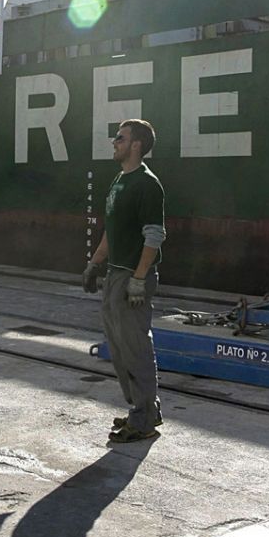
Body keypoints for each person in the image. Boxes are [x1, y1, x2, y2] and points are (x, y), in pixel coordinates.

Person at [83, 119, 166, 444]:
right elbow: (112, 230)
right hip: (115, 274)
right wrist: (94, 263)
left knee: (135, 348)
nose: (113, 142)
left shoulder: (147, 184)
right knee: (118, 349)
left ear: (136, 145)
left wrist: (139, 280)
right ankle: (144, 410)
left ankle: (144, 418)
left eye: (120, 137)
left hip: (133, 278)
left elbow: (154, 236)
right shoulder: (120, 181)